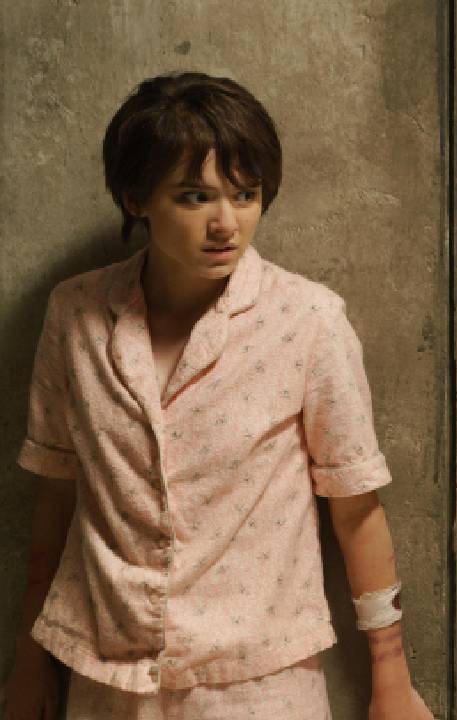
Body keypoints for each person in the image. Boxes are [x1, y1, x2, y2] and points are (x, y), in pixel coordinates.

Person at [2, 72, 434, 720]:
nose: (226, 224)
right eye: (195, 196)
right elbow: (58, 495)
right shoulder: (75, 314)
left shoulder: (307, 321)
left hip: (261, 686)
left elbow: (356, 510)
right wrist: (30, 660)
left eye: (245, 194)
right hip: (108, 682)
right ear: (136, 197)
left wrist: (391, 677)